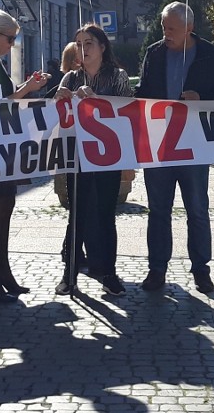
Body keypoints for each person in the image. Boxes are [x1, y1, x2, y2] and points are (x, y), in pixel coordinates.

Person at [135, 2, 214, 294]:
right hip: (160, 145)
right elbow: (142, 94)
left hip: (194, 146)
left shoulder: (209, 55)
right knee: (158, 211)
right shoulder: (154, 53)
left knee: (198, 210)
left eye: (172, 29)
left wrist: (199, 98)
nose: (166, 32)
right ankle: (157, 270)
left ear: (189, 28)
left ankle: (202, 271)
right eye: (164, 27)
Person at [0, 8, 49, 302]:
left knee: (5, 209)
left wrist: (27, 88)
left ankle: (1, 272)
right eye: (9, 38)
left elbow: (1, 101)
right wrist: (26, 90)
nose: (12, 43)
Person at [53, 24, 132, 296]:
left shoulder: (117, 76)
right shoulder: (71, 78)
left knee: (105, 214)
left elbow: (127, 112)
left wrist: (97, 101)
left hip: (108, 155)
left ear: (101, 47)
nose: (83, 48)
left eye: (88, 43)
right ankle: (69, 273)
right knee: (78, 212)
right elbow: (55, 115)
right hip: (76, 155)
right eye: (78, 43)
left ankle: (107, 272)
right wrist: (59, 98)